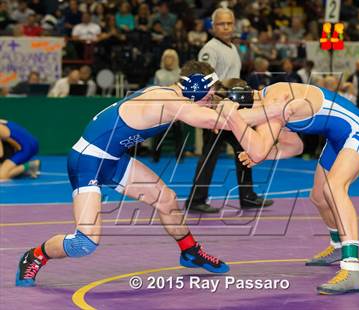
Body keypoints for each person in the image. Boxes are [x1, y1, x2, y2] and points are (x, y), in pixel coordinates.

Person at [15, 61, 284, 287]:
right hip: (87, 161)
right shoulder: (169, 101)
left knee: (166, 199)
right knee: (84, 243)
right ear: (196, 87)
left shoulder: (176, 96)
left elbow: (212, 113)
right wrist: (275, 111)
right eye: (210, 93)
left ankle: (190, 251)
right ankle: (35, 255)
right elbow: (217, 119)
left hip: (112, 159)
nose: (212, 98)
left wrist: (238, 105)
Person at [221, 80, 359, 295]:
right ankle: (338, 247)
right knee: (318, 197)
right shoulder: (268, 106)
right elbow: (295, 147)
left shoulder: (275, 100)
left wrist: (224, 118)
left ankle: (352, 270)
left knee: (334, 187)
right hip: (336, 140)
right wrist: (263, 153)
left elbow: (255, 141)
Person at [186, 7, 273, 213]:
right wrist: (213, 113)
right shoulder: (210, 50)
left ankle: (247, 196)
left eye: (229, 23)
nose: (226, 27)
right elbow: (203, 83)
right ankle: (196, 200)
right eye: (221, 24)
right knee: (209, 155)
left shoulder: (232, 48)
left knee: (245, 150)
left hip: (234, 110)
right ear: (212, 26)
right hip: (217, 113)